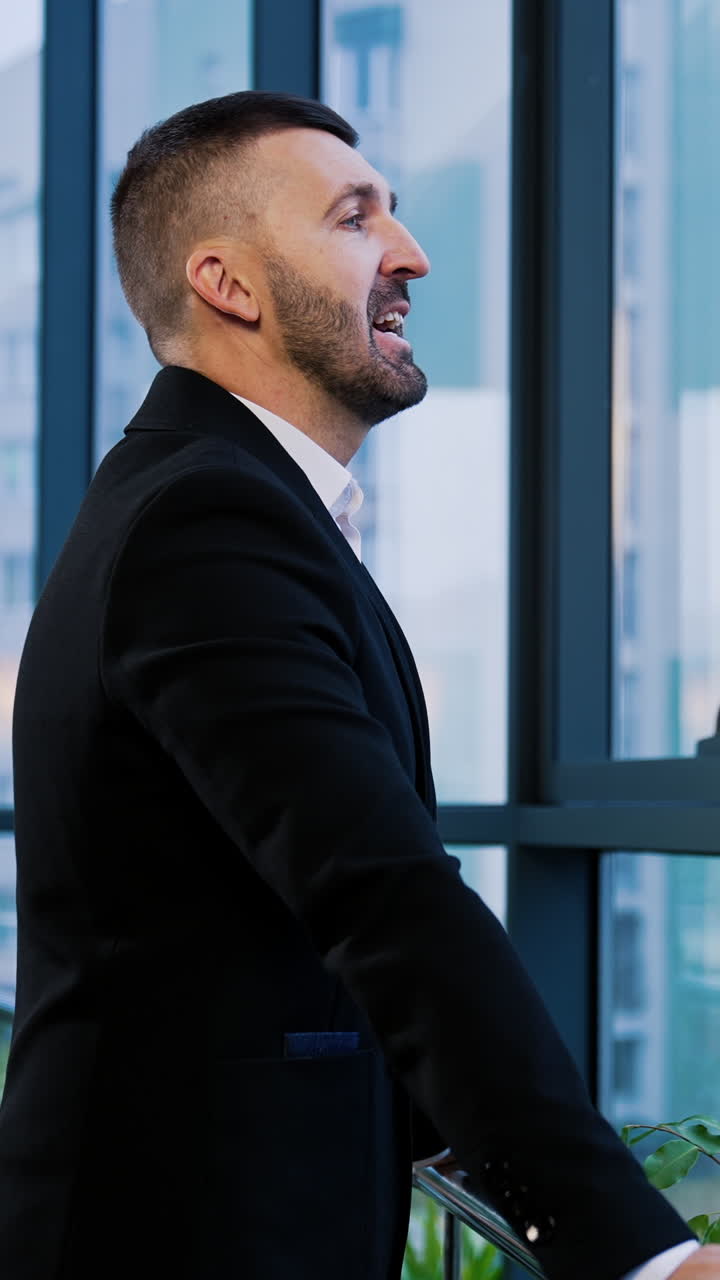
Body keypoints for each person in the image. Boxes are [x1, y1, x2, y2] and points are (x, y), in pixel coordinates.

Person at [0, 90, 716, 1280]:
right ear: (230, 284)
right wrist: (638, 1252)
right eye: (354, 216)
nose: (412, 252)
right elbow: (383, 895)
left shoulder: (216, 504)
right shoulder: (204, 520)